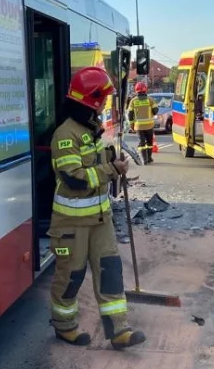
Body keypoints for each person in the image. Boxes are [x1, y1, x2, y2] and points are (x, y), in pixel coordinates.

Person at [49, 67, 147, 350]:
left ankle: (119, 331)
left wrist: (113, 161)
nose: (105, 103)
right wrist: (111, 169)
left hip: (99, 220)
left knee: (110, 271)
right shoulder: (66, 134)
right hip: (72, 224)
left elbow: (96, 165)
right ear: (89, 99)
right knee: (71, 276)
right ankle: (64, 326)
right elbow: (73, 177)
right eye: (102, 98)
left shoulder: (91, 129)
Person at [127, 82, 158, 164]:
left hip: (138, 126)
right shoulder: (150, 100)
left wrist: (131, 124)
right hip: (149, 126)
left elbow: (130, 114)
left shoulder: (133, 101)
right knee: (149, 142)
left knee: (141, 143)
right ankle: (149, 158)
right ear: (145, 90)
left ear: (136, 91)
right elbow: (155, 111)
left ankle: (144, 160)